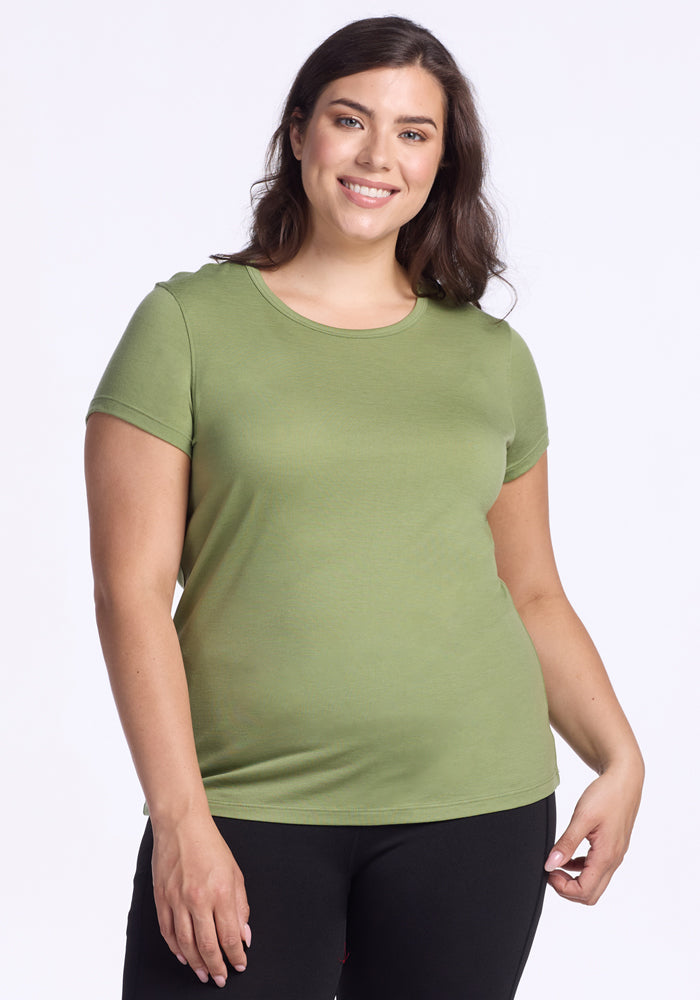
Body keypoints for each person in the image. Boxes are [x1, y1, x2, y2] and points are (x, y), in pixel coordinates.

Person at [85, 15, 644, 1000]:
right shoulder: (185, 326)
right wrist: (179, 820)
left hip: (475, 811)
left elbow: (531, 592)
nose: (378, 155)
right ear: (299, 132)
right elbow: (130, 594)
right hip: (246, 809)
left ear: (442, 162)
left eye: (413, 132)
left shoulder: (489, 357)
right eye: (351, 120)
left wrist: (619, 755)